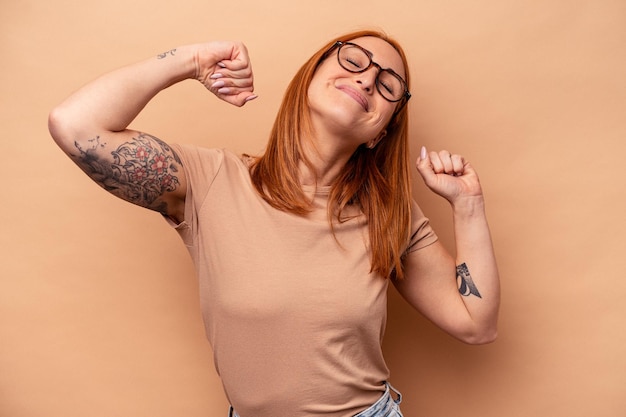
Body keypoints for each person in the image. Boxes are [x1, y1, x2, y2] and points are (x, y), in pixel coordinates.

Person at [48, 29, 500, 417]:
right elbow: (74, 124)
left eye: (388, 84)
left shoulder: (392, 214)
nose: (367, 77)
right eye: (354, 60)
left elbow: (475, 323)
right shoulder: (210, 182)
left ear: (380, 131)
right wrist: (191, 60)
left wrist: (469, 206)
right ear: (309, 77)